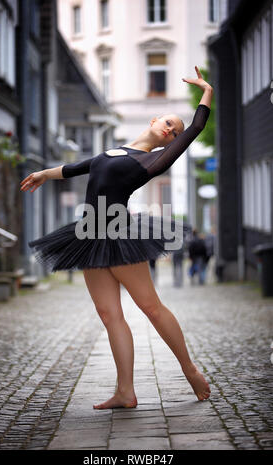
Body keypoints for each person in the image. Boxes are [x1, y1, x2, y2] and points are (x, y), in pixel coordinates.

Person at [20, 66, 213, 409]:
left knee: (150, 307)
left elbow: (196, 127)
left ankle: (190, 369)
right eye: (168, 122)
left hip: (119, 232)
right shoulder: (112, 152)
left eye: (174, 130)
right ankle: (125, 392)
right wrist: (42, 175)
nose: (170, 129)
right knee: (109, 315)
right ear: (154, 121)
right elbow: (75, 168)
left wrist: (206, 91)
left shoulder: (152, 161)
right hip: (89, 234)